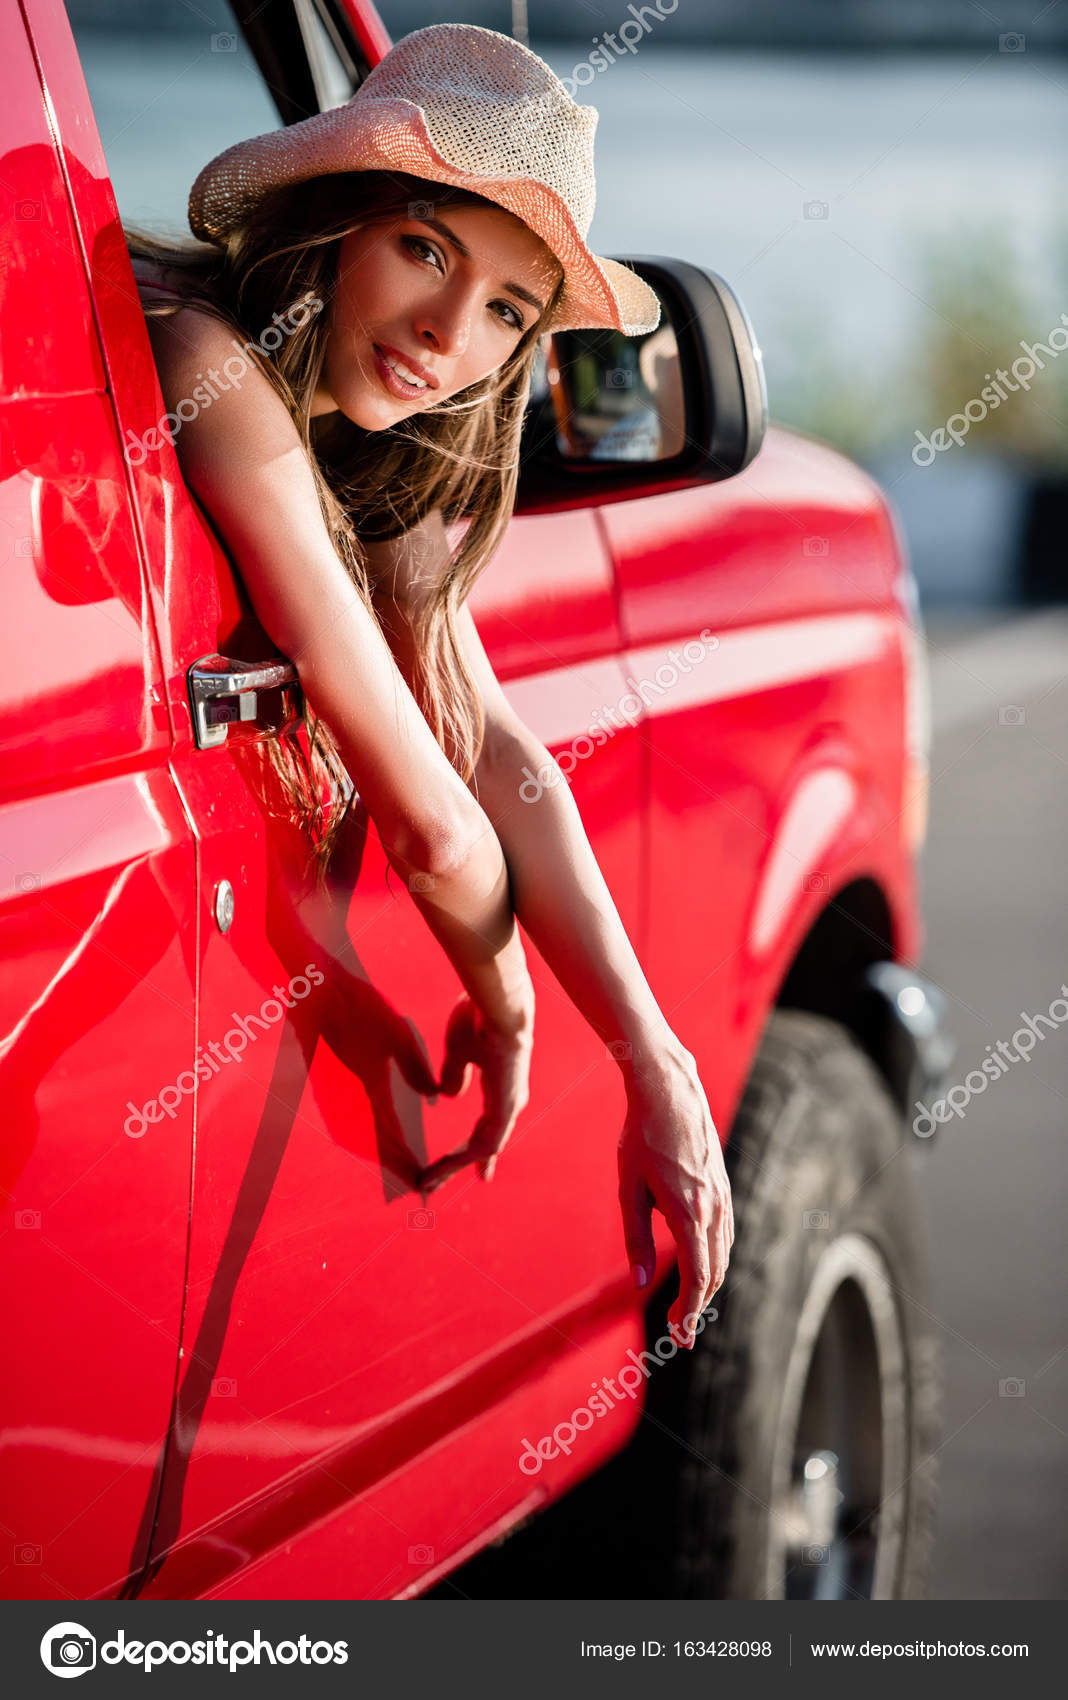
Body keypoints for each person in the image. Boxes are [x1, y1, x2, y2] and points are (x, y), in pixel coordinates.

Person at [125, 22, 733, 1348]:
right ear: (334, 222)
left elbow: (486, 737)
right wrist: (508, 999)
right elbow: (435, 820)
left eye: (509, 311)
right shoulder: (210, 370)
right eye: (424, 247)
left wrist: (655, 1057)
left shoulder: (363, 442)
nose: (446, 333)